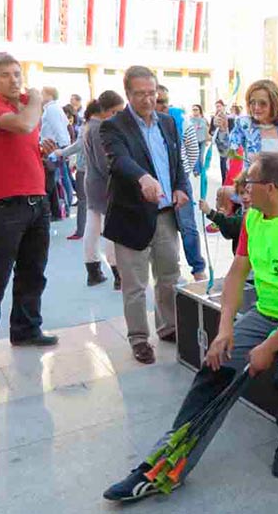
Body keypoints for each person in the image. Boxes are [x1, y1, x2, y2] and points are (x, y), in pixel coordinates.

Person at [103, 152, 278, 501]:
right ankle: (164, 466)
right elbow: (237, 271)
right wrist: (225, 330)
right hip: (271, 311)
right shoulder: (255, 216)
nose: (241, 188)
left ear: (270, 187)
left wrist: (269, 346)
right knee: (214, 369)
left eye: (248, 182)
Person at [0, 52, 58, 368]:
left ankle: (26, 329)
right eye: (5, 74)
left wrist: (39, 150)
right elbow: (23, 124)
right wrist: (35, 99)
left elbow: (21, 139)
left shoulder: (22, 108)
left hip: (37, 200)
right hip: (5, 206)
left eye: (17, 73)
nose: (14, 79)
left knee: (33, 272)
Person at [99, 65, 190, 365]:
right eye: (140, 94)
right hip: (131, 217)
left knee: (169, 276)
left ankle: (170, 327)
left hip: (165, 215)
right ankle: (139, 338)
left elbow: (177, 161)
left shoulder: (167, 122)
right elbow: (119, 160)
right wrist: (142, 177)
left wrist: (180, 186)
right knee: (135, 284)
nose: (148, 100)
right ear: (127, 94)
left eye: (152, 93)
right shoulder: (114, 126)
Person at [156, 86, 207, 282]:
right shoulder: (145, 125)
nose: (163, 105)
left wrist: (184, 170)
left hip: (180, 179)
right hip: (158, 182)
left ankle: (198, 268)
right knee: (165, 226)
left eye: (165, 101)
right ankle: (171, 269)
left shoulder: (180, 121)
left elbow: (193, 149)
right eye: (159, 101)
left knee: (187, 226)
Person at [82, 90, 125, 290]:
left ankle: (93, 269)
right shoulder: (100, 129)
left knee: (93, 226)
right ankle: (117, 273)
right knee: (111, 230)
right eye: (115, 112)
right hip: (104, 184)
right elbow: (104, 163)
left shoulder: (88, 126)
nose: (118, 116)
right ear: (105, 110)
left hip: (91, 182)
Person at [214, 80, 278, 169]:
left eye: (263, 103)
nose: (256, 107)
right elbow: (227, 152)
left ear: (274, 104)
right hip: (251, 180)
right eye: (252, 102)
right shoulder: (244, 124)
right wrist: (223, 130)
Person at [54, 101, 97, 241]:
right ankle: (99, 229)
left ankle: (80, 230)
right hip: (98, 168)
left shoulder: (87, 126)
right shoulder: (105, 125)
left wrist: (61, 153)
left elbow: (78, 146)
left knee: (83, 201)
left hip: (84, 168)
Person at [41, 86, 74, 217]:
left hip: (53, 147)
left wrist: (63, 149)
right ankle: (65, 205)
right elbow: (65, 126)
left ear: (49, 95)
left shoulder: (51, 109)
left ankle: (64, 207)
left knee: (58, 178)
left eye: (42, 93)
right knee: (62, 177)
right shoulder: (55, 108)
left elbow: (58, 128)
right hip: (56, 146)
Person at [199, 170, 249, 254]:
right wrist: (221, 219)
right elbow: (229, 233)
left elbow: (237, 224)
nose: (245, 197)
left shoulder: (254, 213)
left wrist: (212, 214)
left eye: (248, 192)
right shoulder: (241, 210)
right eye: (242, 193)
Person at [209, 100, 229, 183]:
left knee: (227, 161)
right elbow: (210, 131)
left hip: (229, 142)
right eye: (216, 106)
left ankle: (227, 179)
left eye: (219, 106)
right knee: (223, 160)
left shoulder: (229, 117)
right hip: (219, 143)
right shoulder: (214, 118)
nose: (218, 108)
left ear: (223, 107)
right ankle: (224, 180)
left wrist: (224, 129)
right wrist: (214, 132)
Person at [190, 104, 209, 176]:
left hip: (203, 140)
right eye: (193, 110)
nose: (195, 111)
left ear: (200, 110)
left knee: (201, 156)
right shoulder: (190, 120)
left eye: (196, 109)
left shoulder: (203, 120)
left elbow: (206, 130)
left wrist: (207, 140)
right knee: (195, 155)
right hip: (194, 140)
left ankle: (201, 170)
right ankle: (196, 170)